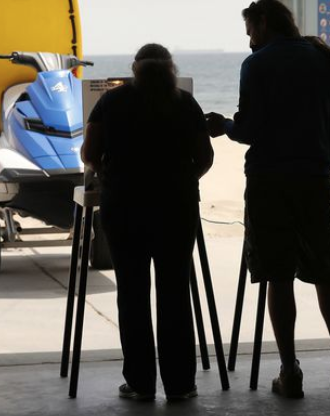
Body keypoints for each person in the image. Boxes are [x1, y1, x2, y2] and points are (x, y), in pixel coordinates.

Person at [205, 0, 330, 398]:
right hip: (312, 180)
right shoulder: (322, 61)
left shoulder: (257, 66)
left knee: (277, 275)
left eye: (251, 31)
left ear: (265, 23)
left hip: (269, 181)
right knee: (326, 272)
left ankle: (290, 372)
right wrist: (319, 163)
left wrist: (224, 126)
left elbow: (251, 128)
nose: (250, 42)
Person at [81, 43, 214, 402]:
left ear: (134, 68)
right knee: (174, 293)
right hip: (176, 208)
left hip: (124, 207)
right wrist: (186, 180)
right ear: (171, 67)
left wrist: (107, 173)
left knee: (133, 294)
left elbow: (89, 153)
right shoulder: (184, 103)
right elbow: (205, 156)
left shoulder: (111, 102)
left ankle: (140, 382)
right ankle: (180, 384)